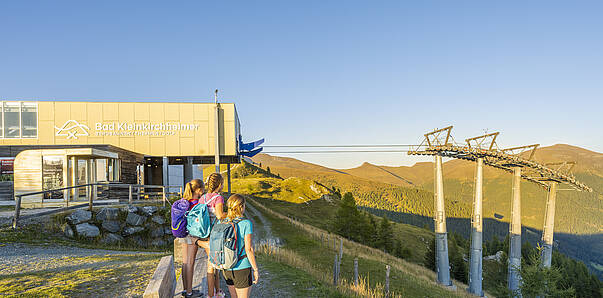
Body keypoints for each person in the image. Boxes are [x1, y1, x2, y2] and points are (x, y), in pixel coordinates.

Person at [194, 173, 227, 298]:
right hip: (214, 235)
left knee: (215, 265)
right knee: (211, 266)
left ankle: (217, 292)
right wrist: (229, 214)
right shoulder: (218, 198)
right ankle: (211, 295)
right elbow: (219, 215)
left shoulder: (203, 197)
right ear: (219, 184)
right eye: (222, 183)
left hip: (204, 232)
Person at [221, 194, 259, 298]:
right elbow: (249, 249)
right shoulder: (246, 223)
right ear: (241, 207)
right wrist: (255, 269)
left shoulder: (223, 222)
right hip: (242, 267)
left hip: (227, 267)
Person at [180, 179, 204, 298]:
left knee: (185, 262)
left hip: (183, 233)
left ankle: (185, 289)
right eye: (202, 190)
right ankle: (189, 292)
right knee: (190, 262)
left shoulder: (185, 202)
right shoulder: (196, 203)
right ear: (199, 190)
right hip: (192, 235)